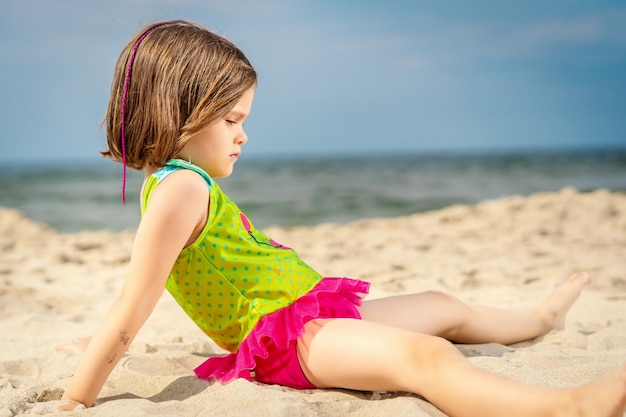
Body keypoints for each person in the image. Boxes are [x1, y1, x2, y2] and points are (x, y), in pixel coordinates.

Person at [59, 19, 626, 417]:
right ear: (179, 112)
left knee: (443, 306)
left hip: (307, 311)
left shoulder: (187, 183)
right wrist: (78, 399)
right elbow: (133, 306)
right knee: (425, 357)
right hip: (282, 339)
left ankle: (540, 319)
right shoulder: (180, 188)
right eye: (231, 119)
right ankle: (568, 407)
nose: (243, 134)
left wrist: (95, 341)